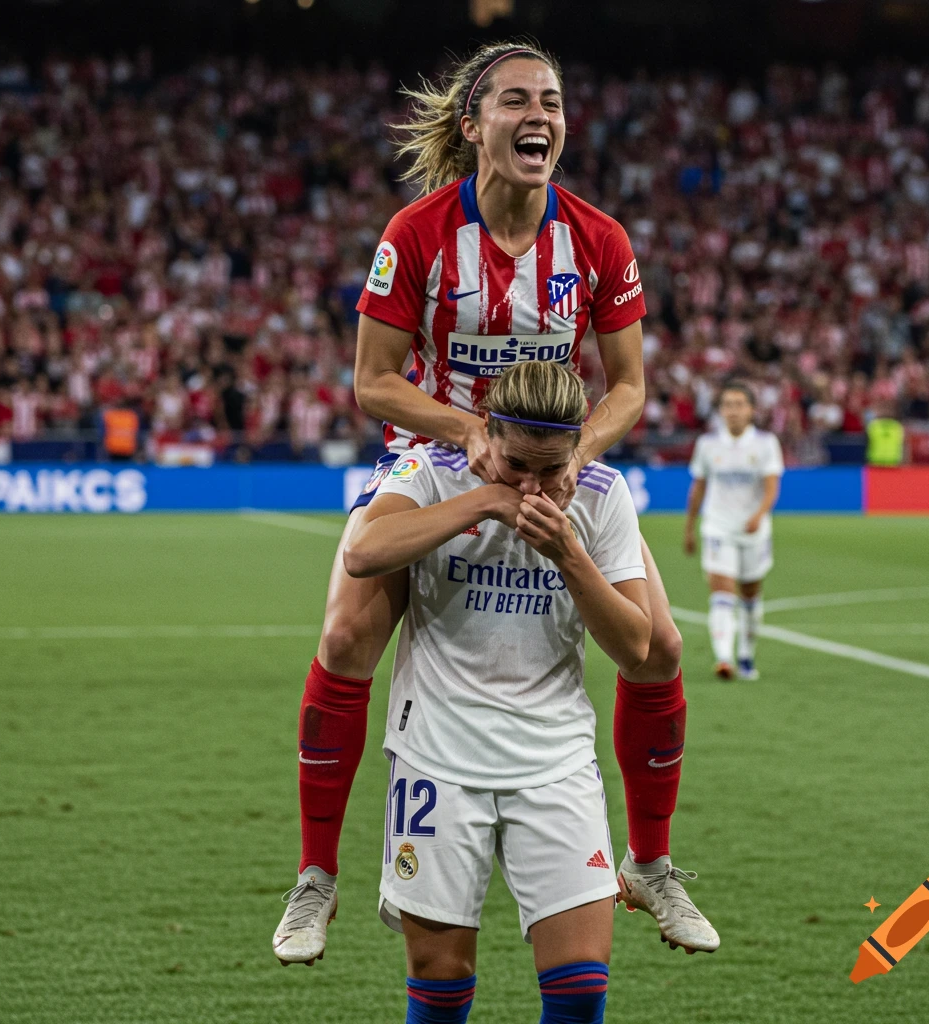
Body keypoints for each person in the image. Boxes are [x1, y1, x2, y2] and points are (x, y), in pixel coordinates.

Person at [273, 40, 717, 966]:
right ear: (475, 126)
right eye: (517, 101)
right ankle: (316, 878)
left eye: (551, 101)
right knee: (347, 631)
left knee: (664, 647)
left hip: (558, 453)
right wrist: (467, 435)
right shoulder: (418, 232)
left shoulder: (599, 239)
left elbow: (628, 387)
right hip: (431, 453)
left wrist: (572, 457)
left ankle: (652, 862)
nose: (540, 117)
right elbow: (373, 383)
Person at [343, 361, 650, 1024]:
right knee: (442, 985)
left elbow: (636, 646)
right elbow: (363, 552)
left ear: (577, 449)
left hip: (556, 761)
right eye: (516, 465)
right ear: (489, 433)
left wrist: (570, 555)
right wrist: (485, 501)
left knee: (579, 991)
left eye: (551, 468)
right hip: (437, 759)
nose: (533, 487)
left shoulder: (602, 494)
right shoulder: (429, 470)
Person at [684, 382, 783, 680]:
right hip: (718, 527)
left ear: (752, 409)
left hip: (753, 531)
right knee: (722, 592)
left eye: (740, 404)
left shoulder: (766, 443)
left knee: (751, 594)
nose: (734, 411)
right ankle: (724, 658)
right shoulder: (708, 444)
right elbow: (698, 487)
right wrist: (689, 527)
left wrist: (759, 515)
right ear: (721, 411)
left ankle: (746, 655)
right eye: (728, 404)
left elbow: (771, 486)